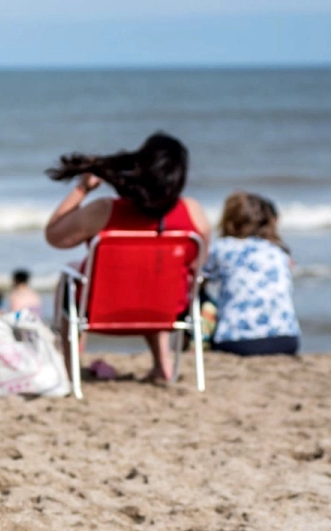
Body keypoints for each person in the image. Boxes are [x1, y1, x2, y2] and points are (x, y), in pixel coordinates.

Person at [43, 132, 212, 382]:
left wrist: (82, 189)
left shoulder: (104, 210)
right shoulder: (192, 212)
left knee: (71, 274)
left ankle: (71, 370)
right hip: (167, 313)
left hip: (101, 311)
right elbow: (198, 266)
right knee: (159, 274)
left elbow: (54, 235)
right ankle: (162, 365)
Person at [202, 191, 301, 355]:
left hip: (235, 339)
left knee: (200, 296)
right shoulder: (278, 251)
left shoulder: (222, 248)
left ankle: (195, 344)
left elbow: (198, 280)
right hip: (286, 338)